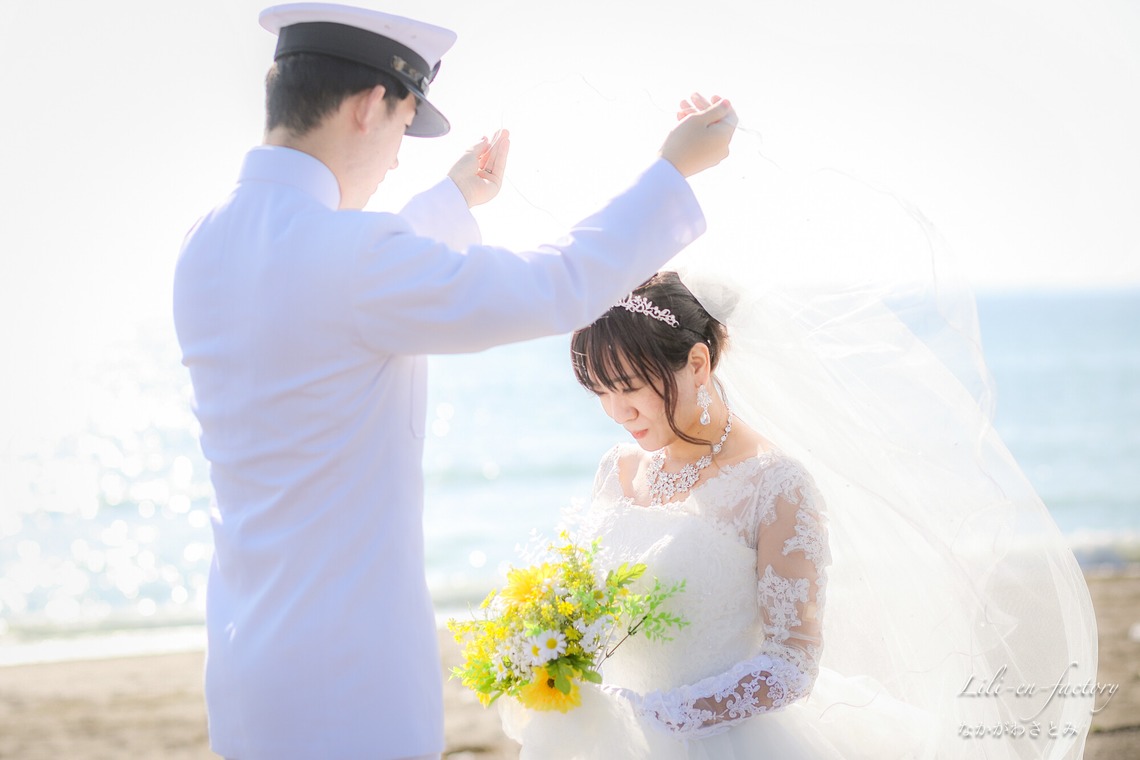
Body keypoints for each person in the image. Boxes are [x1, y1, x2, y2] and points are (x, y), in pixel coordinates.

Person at [171, 2, 736, 758]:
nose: (399, 155)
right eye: (405, 127)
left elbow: (327, 281)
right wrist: (672, 173)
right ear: (372, 105)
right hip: (348, 678)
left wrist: (452, 202)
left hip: (247, 665)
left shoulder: (206, 241)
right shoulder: (357, 261)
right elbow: (557, 284)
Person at [499, 270, 1098, 759]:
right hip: (604, 737)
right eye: (599, 391)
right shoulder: (618, 469)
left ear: (699, 364)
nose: (614, 411)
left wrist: (652, 718)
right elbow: (584, 599)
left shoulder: (775, 484)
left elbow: (790, 667)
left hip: (719, 740)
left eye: (628, 386)